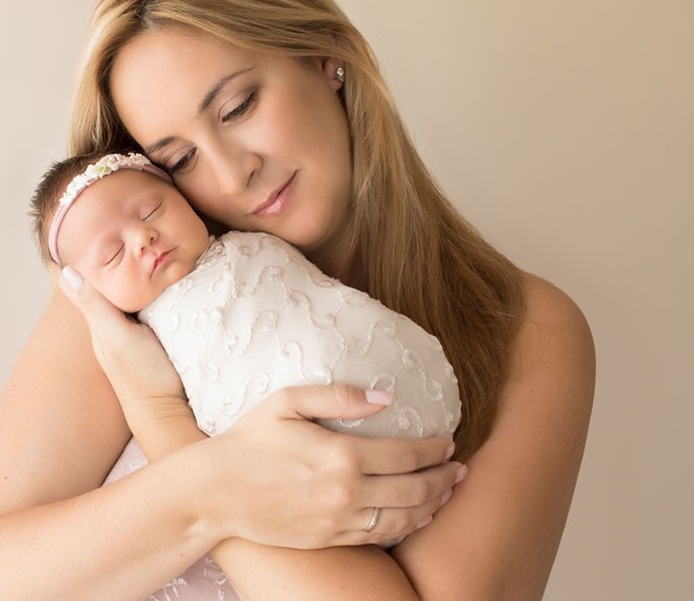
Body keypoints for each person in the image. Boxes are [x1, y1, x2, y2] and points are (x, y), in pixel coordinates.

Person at [0, 0, 595, 601]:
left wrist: (168, 427)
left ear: (325, 54)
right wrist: (210, 482)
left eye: (238, 106)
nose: (232, 172)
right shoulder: (134, 303)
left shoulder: (524, 328)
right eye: (177, 159)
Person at [30, 149, 462, 450]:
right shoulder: (140, 345)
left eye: (150, 211)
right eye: (113, 254)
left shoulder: (251, 240)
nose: (143, 238)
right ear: (87, 288)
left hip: (385, 369)